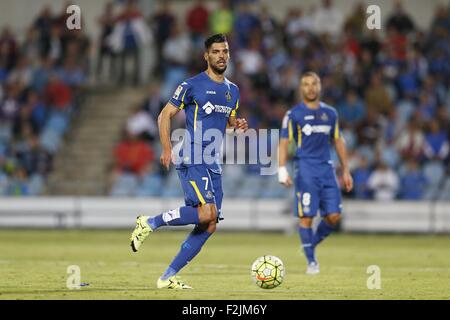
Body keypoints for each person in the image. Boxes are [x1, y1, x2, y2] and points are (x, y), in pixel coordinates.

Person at [129, 34, 248, 289]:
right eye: (216, 51)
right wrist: (166, 147)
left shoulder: (233, 91)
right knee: (208, 213)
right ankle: (150, 222)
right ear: (206, 56)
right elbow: (164, 115)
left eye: (225, 51)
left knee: (209, 224)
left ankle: (167, 277)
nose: (221, 56)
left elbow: (229, 123)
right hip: (193, 154)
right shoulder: (191, 85)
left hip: (213, 161)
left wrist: (237, 124)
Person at [278, 72, 353, 275]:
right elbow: (284, 141)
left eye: (314, 84)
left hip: (327, 170)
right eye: (306, 84)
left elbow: (338, 140)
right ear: (301, 88)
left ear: (319, 87)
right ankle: (312, 262)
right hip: (306, 170)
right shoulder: (294, 114)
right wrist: (282, 168)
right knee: (307, 217)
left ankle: (309, 244)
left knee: (334, 217)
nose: (310, 88)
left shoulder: (330, 113)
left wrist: (346, 170)